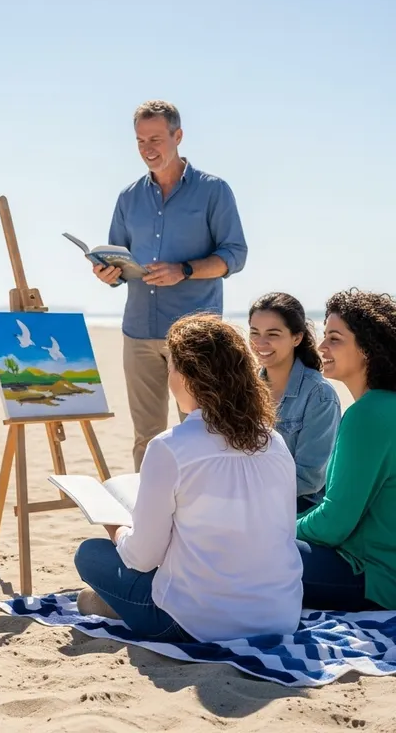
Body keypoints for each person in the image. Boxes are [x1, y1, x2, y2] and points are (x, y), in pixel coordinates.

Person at [75, 313, 303, 642]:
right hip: (280, 616)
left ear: (188, 378)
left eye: (171, 366)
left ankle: (108, 605)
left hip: (197, 623)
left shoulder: (170, 447)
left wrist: (115, 528)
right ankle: (111, 604)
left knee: (90, 553)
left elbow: (143, 558)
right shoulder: (274, 441)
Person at [94, 100, 248, 471]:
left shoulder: (214, 191)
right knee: (146, 437)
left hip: (194, 336)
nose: (148, 149)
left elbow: (236, 254)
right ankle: (149, 518)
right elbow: (117, 255)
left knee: (200, 433)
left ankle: (198, 520)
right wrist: (108, 273)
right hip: (138, 332)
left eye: (156, 139)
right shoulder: (128, 198)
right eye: (140, 140)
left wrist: (185, 270)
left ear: (178, 136)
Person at [296, 289, 396, 612]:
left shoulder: (368, 415)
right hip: (378, 568)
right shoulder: (385, 406)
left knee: (249, 550)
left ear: (367, 348)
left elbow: (333, 524)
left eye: (334, 339)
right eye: (324, 336)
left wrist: (278, 525)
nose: (321, 347)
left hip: (374, 578)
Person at [249, 292, 341, 513]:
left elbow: (310, 478)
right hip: (251, 500)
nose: (261, 343)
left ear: (296, 338)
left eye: (273, 334)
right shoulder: (246, 387)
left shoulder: (319, 395)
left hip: (300, 508)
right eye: (254, 332)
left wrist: (246, 491)